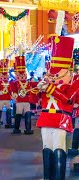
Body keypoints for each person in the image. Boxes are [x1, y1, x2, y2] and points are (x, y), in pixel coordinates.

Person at [36, 34, 79, 179]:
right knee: (47, 147)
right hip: (46, 117)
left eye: (58, 73)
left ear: (68, 70)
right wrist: (39, 89)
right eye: (52, 72)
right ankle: (48, 176)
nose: (54, 76)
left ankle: (59, 177)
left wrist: (49, 88)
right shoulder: (50, 82)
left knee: (59, 147)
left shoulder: (75, 83)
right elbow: (38, 100)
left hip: (61, 119)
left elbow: (68, 99)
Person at [10, 53, 34, 135]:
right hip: (20, 100)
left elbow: (34, 88)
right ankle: (17, 128)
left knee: (27, 114)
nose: (22, 75)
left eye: (24, 74)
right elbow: (13, 89)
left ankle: (27, 128)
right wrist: (14, 94)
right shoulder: (15, 82)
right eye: (21, 74)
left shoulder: (29, 82)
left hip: (26, 100)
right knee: (19, 114)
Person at [0, 57, 13, 128]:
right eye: (3, 75)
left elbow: (11, 90)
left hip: (7, 98)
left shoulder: (10, 82)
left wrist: (12, 94)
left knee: (8, 111)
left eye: (6, 75)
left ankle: (9, 123)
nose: (5, 76)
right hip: (1, 98)